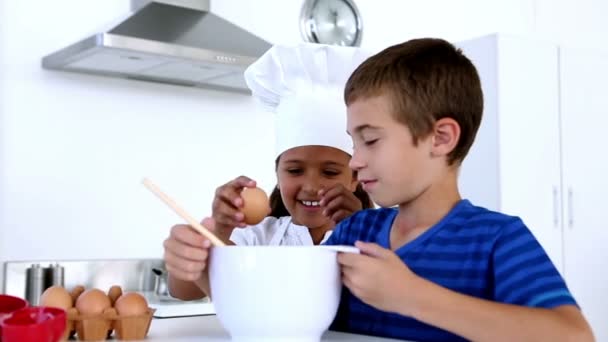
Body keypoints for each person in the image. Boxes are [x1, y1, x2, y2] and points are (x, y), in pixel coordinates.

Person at [322, 38, 594, 341]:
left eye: (370, 140)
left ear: (440, 138)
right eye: (353, 143)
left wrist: (411, 295)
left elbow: (574, 336)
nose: (355, 160)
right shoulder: (353, 233)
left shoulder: (496, 238)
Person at [162, 43, 373, 300]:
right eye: (295, 170)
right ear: (277, 172)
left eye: (329, 172)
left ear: (354, 178)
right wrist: (219, 228)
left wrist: (359, 228)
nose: (311, 186)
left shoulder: (378, 235)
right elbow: (184, 290)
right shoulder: (260, 238)